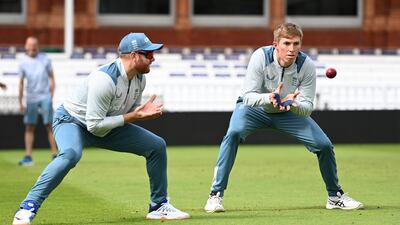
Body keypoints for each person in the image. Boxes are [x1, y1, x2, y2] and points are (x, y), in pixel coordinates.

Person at [12, 33, 190, 225]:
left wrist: (140, 114)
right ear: (133, 55)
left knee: (156, 146)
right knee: (70, 155)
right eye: (148, 54)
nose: (153, 58)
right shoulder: (104, 79)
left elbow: (122, 116)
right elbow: (95, 125)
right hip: (71, 121)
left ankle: (158, 205)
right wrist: (134, 116)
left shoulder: (140, 79)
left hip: (101, 123)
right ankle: (27, 207)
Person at [204, 23, 363, 213]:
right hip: (255, 109)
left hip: (287, 112)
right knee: (233, 133)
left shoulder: (306, 66)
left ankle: (334, 196)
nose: (292, 49)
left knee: (324, 145)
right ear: (275, 44)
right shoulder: (260, 57)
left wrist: (293, 104)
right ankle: (215, 195)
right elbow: (248, 96)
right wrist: (269, 97)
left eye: (296, 44)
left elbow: (307, 107)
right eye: (287, 43)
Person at [18, 36, 58, 166]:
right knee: (30, 127)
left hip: (45, 96)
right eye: (30, 45)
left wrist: (51, 94)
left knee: (49, 126)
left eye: (34, 45)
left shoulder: (45, 59)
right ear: (26, 46)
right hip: (31, 98)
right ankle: (28, 156)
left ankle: (55, 154)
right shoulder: (23, 62)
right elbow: (21, 83)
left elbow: (52, 77)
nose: (32, 47)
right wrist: (20, 101)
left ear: (37, 46)